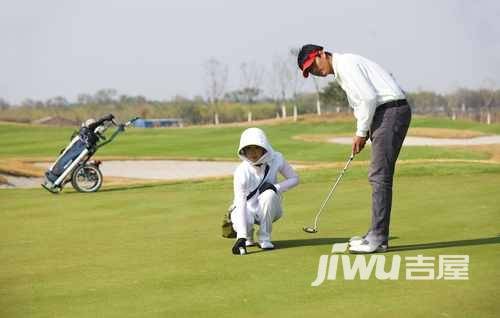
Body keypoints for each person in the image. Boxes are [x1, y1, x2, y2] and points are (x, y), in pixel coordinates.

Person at [297, 44, 412, 253]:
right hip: (383, 113)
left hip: (391, 111)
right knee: (378, 175)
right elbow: (362, 104)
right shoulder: (342, 72)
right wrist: (364, 129)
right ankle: (375, 234)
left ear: (322, 54)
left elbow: (368, 98)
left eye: (313, 65)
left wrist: (360, 133)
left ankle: (378, 238)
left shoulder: (347, 64)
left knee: (379, 176)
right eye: (310, 71)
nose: (315, 72)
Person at [231, 127, 299, 255]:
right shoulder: (241, 171)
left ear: (264, 146)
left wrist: (276, 187)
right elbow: (240, 203)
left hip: (272, 208)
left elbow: (294, 179)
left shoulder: (277, 158)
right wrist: (241, 236)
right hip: (248, 209)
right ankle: (248, 238)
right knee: (239, 214)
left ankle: (265, 238)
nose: (253, 153)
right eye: (249, 149)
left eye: (256, 147)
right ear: (243, 150)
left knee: (268, 194)